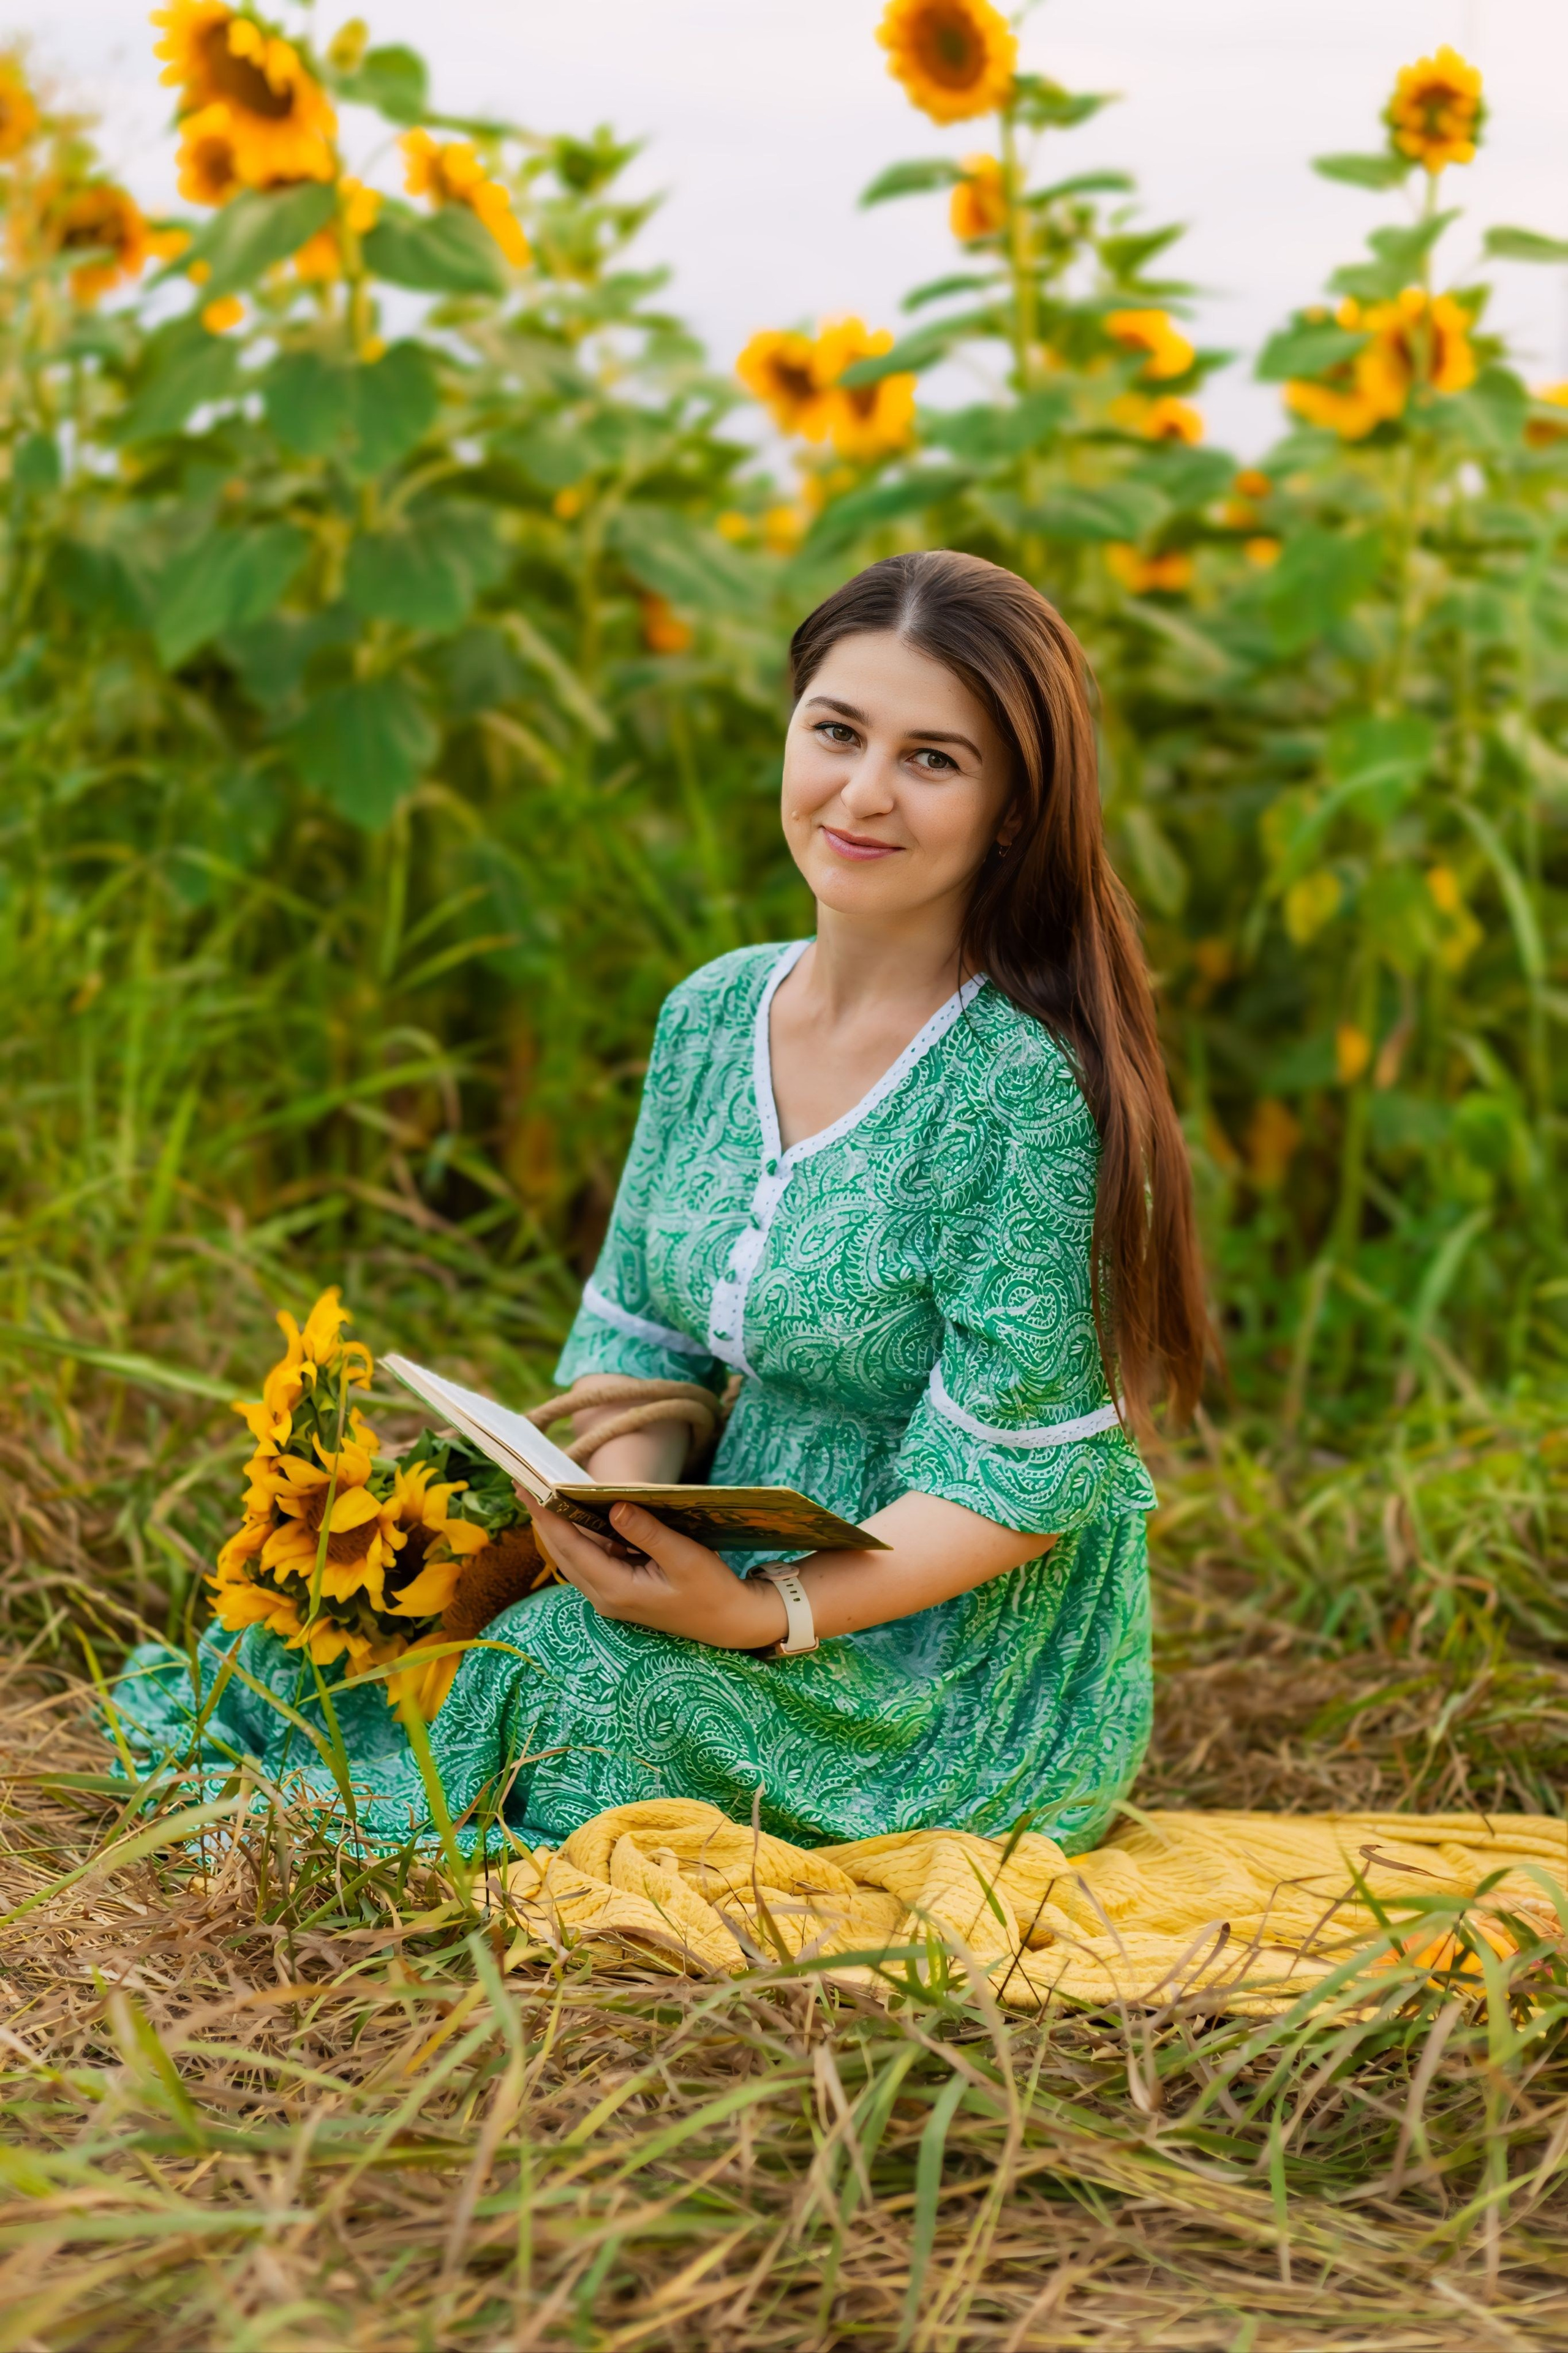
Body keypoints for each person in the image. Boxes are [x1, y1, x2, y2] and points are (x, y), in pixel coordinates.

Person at [119, 550, 1207, 1856]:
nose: (860, 792)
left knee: (574, 1682)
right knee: (329, 1628)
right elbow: (640, 1333)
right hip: (718, 1546)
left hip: (944, 1664)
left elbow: (1016, 1488)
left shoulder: (1021, 1093)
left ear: (1014, 810)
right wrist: (614, 1522)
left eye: (934, 759)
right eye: (836, 731)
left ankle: (367, 1827)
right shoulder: (709, 1013)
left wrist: (763, 1616)